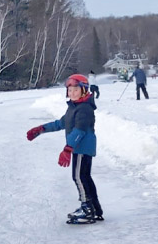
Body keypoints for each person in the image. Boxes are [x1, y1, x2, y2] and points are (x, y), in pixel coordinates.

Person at [26, 74, 103, 224]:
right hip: (79, 147)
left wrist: (68, 149)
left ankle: (87, 208)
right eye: (69, 90)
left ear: (84, 91)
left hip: (81, 148)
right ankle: (94, 208)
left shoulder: (84, 108)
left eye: (76, 89)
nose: (72, 93)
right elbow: (61, 123)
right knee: (85, 177)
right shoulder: (74, 107)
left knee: (79, 177)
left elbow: (80, 130)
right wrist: (41, 129)